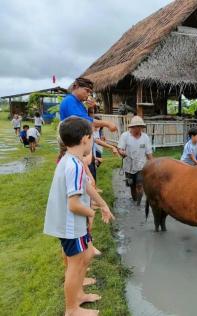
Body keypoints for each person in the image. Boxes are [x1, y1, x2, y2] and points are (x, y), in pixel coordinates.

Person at [43, 117, 114, 316]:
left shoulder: (70, 160)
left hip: (73, 224)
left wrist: (103, 205)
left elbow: (86, 186)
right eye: (92, 138)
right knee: (74, 266)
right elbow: (73, 205)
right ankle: (71, 309)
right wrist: (92, 213)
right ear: (85, 139)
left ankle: (79, 295)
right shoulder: (73, 165)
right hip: (70, 226)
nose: (92, 142)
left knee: (85, 256)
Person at [117, 116, 153, 204]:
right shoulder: (125, 136)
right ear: (132, 127)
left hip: (141, 166)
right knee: (132, 186)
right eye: (137, 126)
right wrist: (122, 152)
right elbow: (120, 148)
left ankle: (138, 204)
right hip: (128, 166)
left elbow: (149, 153)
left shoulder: (145, 137)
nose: (139, 128)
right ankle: (135, 200)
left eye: (140, 126)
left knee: (140, 185)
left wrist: (153, 164)